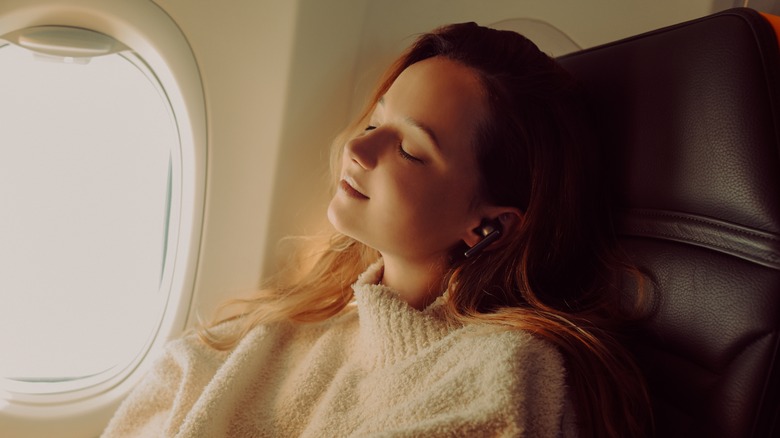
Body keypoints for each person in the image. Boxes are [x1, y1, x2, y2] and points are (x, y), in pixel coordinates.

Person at [102, 22, 651, 438]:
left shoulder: (505, 368)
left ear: (488, 226)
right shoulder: (306, 320)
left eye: (410, 150)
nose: (357, 148)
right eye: (374, 122)